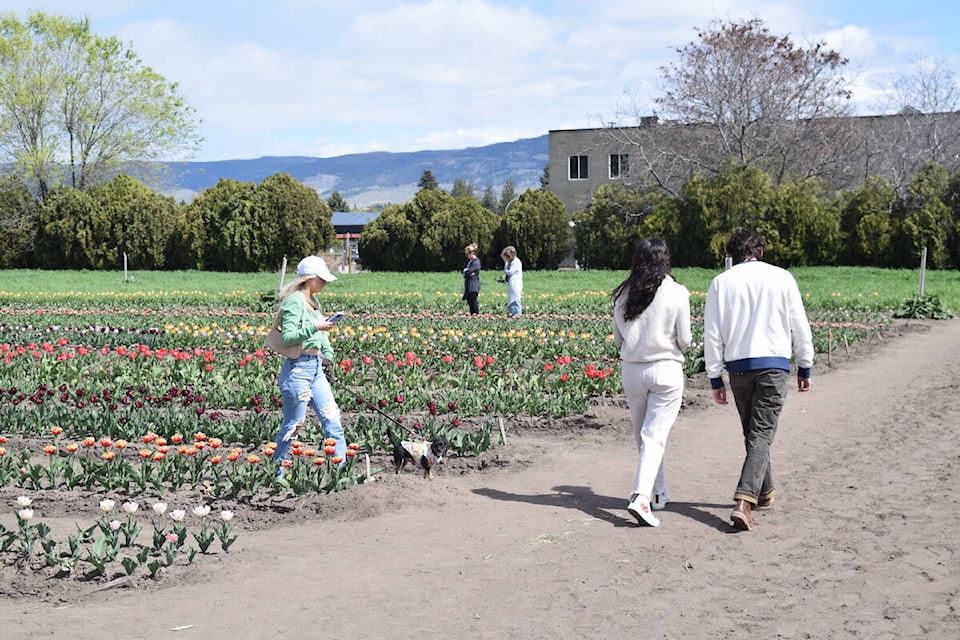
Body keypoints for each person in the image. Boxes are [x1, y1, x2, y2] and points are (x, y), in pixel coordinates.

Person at [704, 227, 814, 531]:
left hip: (738, 367)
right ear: (760, 250)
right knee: (761, 434)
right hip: (774, 365)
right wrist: (805, 365)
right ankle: (745, 500)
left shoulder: (720, 283)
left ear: (731, 254)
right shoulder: (782, 278)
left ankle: (765, 493)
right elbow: (800, 326)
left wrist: (715, 376)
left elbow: (712, 334)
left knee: (754, 434)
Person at [613, 237, 692, 527]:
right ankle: (641, 497)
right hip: (666, 369)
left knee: (644, 436)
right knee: (654, 436)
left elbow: (618, 339)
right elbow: (684, 339)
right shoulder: (677, 292)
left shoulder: (624, 293)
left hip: (633, 370)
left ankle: (658, 492)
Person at [273, 255, 347, 479]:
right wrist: (316, 326)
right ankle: (277, 473)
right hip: (298, 371)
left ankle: (341, 472)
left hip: (316, 370)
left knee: (333, 420)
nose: (324, 283)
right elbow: (287, 337)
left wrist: (328, 356)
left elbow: (321, 337)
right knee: (294, 424)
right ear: (310, 279)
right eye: (321, 279)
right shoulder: (294, 302)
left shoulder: (314, 303)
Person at [500, 246, 524, 317]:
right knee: (512, 299)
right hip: (512, 283)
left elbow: (509, 272)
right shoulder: (512, 262)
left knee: (515, 300)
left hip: (516, 284)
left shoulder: (516, 262)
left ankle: (517, 315)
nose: (506, 258)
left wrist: (506, 263)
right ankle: (513, 314)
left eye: (507, 256)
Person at [462, 243, 481, 315]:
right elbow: (466, 272)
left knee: (473, 302)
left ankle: (476, 316)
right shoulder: (470, 262)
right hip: (469, 285)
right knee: (470, 301)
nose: (466, 256)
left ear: (472, 253)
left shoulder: (476, 262)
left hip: (473, 286)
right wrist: (467, 272)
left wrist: (467, 271)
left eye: (467, 254)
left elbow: (469, 271)